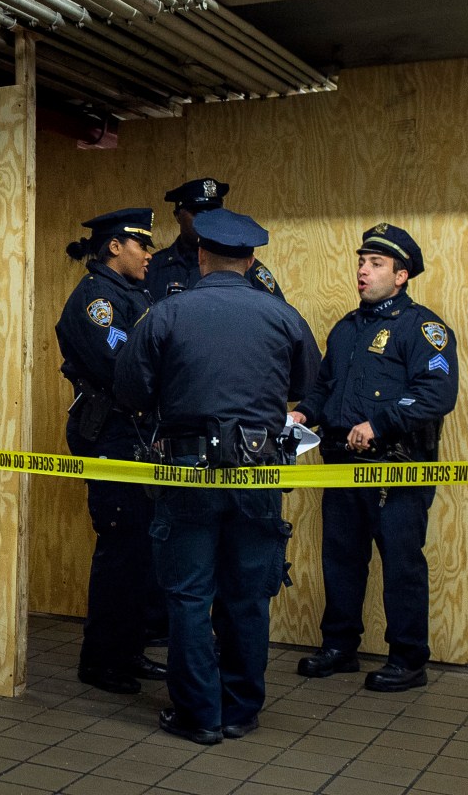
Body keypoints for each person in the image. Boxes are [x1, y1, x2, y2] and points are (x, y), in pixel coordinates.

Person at [115, 208, 320, 744]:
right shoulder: (284, 316)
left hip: (187, 473)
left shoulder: (166, 314)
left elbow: (132, 390)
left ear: (201, 255)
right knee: (248, 594)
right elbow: (305, 384)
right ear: (251, 260)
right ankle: (240, 710)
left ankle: (199, 714)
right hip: (258, 475)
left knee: (188, 594)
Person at [291, 223, 458, 693]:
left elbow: (437, 393)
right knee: (341, 557)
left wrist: (380, 423)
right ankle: (339, 647)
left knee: (403, 564)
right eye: (361, 261)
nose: (363, 271)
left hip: (397, 467)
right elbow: (325, 387)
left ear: (401, 275)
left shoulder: (422, 328)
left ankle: (408, 658)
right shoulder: (346, 329)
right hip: (344, 463)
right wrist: (306, 410)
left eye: (376, 263)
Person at [54, 208, 169, 694]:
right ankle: (101, 662)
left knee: (139, 552)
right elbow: (128, 367)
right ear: (115, 247)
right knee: (120, 550)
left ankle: (126, 650)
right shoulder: (96, 300)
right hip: (113, 435)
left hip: (137, 436)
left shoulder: (131, 293)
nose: (148, 255)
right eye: (141, 245)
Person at [145, 177, 284, 302]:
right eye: (197, 212)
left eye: (213, 212)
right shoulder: (152, 268)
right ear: (177, 216)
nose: (207, 220)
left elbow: (276, 316)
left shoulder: (244, 265)